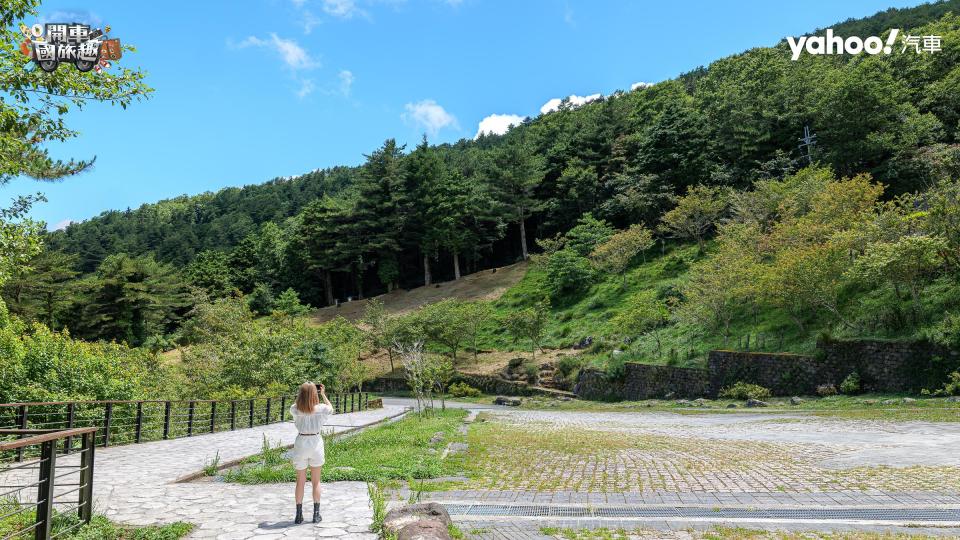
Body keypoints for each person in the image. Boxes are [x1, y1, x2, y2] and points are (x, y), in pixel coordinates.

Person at [289, 381, 334, 524]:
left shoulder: (295, 409)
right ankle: (315, 514)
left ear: (300, 394)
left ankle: (298, 515)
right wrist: (323, 394)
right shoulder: (321, 409)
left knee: (300, 482)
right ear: (315, 393)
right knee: (316, 481)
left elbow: (297, 404)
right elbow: (330, 408)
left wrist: (303, 395)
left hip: (301, 442)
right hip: (315, 442)